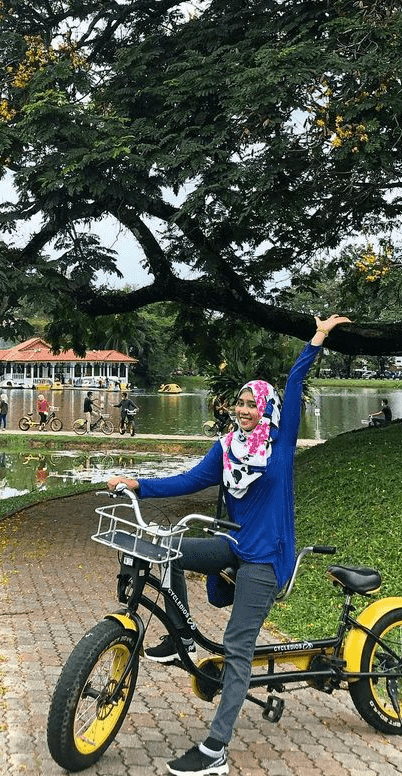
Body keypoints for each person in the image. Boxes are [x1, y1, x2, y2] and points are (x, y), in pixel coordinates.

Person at [106, 314, 350, 776]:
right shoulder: (228, 447)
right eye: (239, 402)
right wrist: (136, 483)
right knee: (168, 546)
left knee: (238, 648)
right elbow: (187, 480)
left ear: (267, 409)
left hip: (265, 560)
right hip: (235, 547)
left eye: (251, 404)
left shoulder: (280, 443)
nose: (243, 409)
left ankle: (215, 749)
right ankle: (178, 631)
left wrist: (317, 338)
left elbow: (296, 382)